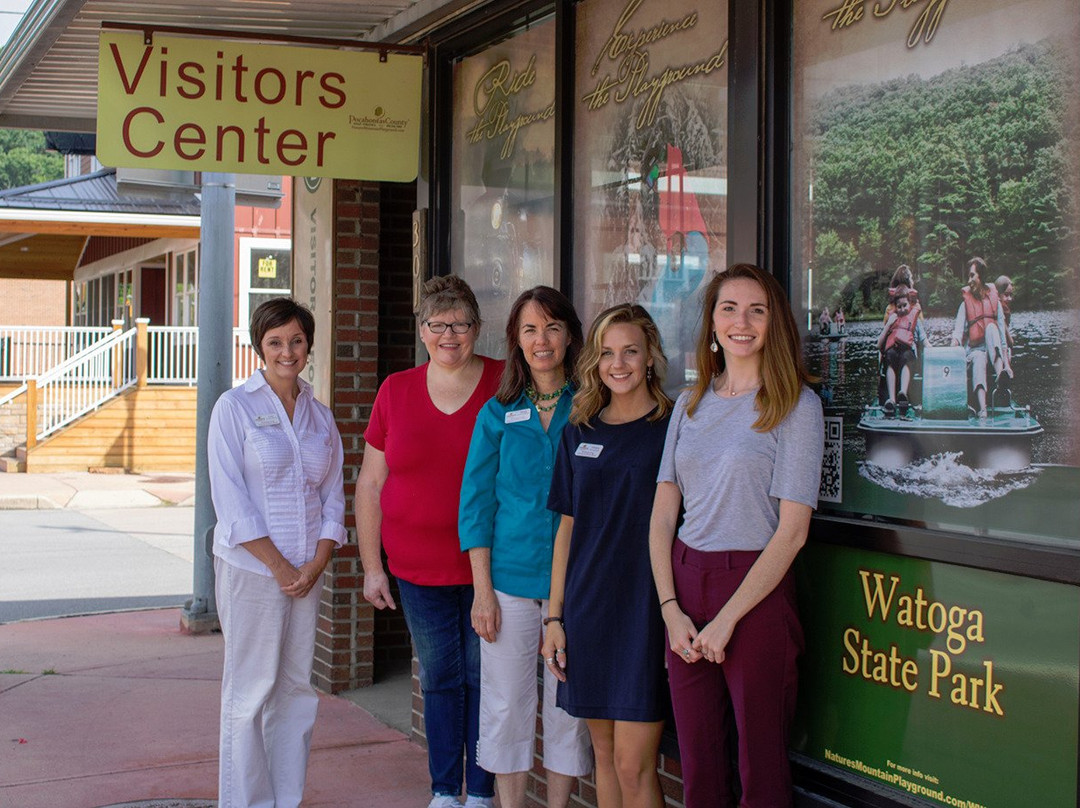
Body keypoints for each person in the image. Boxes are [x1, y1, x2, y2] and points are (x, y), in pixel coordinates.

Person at [649, 264, 824, 808]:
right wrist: (670, 608)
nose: (741, 322)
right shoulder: (689, 403)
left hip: (755, 593)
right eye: (729, 308)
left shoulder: (796, 406)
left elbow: (793, 533)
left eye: (757, 310)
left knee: (761, 764)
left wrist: (726, 620)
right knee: (699, 762)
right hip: (685, 584)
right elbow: (661, 518)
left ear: (775, 323)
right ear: (712, 323)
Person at [356, 275, 501, 808]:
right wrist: (374, 567)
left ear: (477, 329)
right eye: (437, 324)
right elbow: (371, 484)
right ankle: (445, 789)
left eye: (460, 323)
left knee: (485, 677)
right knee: (441, 677)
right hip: (417, 570)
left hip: (493, 568)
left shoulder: (505, 383)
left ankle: (482, 791)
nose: (449, 334)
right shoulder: (396, 390)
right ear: (422, 331)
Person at [208, 297, 348, 808]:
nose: (287, 351)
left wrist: (316, 563)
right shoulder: (234, 408)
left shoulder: (319, 415)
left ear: (308, 345)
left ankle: (284, 800)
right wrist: (280, 566)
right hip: (252, 571)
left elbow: (333, 495)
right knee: (249, 694)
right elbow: (231, 502)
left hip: (307, 575)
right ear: (258, 347)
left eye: (296, 340)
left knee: (294, 692)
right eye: (275, 342)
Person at [459, 286, 593, 808]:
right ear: (516, 338)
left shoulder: (589, 406)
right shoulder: (498, 413)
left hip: (573, 583)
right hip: (508, 584)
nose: (542, 340)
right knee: (506, 706)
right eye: (531, 329)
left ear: (569, 336)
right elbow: (476, 504)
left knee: (566, 708)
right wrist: (481, 591)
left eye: (553, 328)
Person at [543, 303, 673, 808]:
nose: (618, 364)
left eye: (630, 352)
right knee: (603, 752)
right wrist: (555, 616)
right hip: (588, 609)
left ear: (650, 358)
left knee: (633, 764)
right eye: (607, 354)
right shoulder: (580, 429)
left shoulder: (672, 427)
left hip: (645, 608)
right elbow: (566, 529)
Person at [950, 257, 1013, 417]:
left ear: (981, 277)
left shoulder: (995, 303)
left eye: (972, 275)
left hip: (993, 352)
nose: (969, 280)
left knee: (992, 327)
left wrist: (1007, 364)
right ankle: (982, 409)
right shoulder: (965, 305)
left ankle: (1001, 377)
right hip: (973, 352)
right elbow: (957, 334)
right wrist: (953, 348)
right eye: (969, 276)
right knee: (978, 356)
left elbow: (1002, 339)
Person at [876, 283, 928, 418]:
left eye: (905, 305)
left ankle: (903, 394)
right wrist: (888, 324)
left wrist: (935, 352)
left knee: (906, 355)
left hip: (907, 355)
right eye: (899, 306)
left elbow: (924, 340)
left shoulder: (915, 320)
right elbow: (878, 345)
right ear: (895, 306)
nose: (902, 309)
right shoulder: (892, 319)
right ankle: (892, 400)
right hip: (893, 355)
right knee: (890, 355)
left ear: (910, 303)